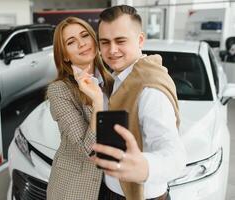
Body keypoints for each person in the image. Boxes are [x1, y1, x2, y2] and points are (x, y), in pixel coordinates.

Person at [75, 5, 187, 200]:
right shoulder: (120, 78)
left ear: (140, 40)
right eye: (105, 42)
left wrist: (145, 166)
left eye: (120, 41)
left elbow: (175, 157)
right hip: (112, 190)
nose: (112, 50)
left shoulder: (149, 89)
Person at [46, 16, 113, 200]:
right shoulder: (59, 90)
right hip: (75, 186)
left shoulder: (112, 82)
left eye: (85, 36)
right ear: (65, 55)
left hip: (113, 184)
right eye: (71, 42)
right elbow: (88, 150)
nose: (82, 44)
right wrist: (98, 102)